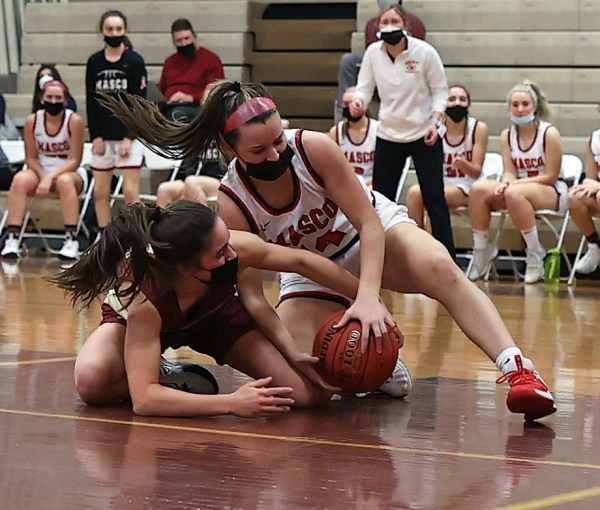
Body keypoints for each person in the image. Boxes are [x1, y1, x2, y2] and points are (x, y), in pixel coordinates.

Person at [105, 80, 558, 421]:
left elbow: (368, 222)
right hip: (306, 271)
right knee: (307, 382)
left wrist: (369, 298)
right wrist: (290, 350)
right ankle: (377, 367)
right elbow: (253, 297)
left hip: (370, 235)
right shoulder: (232, 201)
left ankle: (519, 369)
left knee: (440, 265)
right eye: (259, 150)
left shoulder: (314, 147)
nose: (275, 154)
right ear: (229, 149)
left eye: (278, 140)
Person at [51, 200, 379, 417]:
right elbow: (144, 401)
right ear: (185, 268)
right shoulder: (144, 301)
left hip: (216, 315)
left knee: (308, 394)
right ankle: (164, 376)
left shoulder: (235, 246)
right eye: (220, 253)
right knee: (91, 381)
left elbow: (302, 261)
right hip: (145, 326)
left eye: (228, 243)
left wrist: (368, 298)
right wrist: (232, 403)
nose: (233, 255)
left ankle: (164, 381)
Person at [349, 5, 455, 258]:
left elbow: (440, 90)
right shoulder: (373, 53)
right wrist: (359, 102)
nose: (389, 25)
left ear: (405, 25)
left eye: (394, 21)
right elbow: (364, 87)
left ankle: (449, 259)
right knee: (380, 201)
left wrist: (435, 121)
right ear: (377, 27)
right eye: (384, 21)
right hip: (388, 134)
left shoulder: (424, 52)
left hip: (424, 133)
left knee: (434, 199)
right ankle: (381, 258)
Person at [467, 81, 566, 284]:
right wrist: (506, 182)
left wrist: (513, 185)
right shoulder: (507, 135)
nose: (520, 109)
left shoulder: (549, 133)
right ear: (509, 107)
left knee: (514, 193)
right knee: (478, 189)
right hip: (518, 190)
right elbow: (510, 172)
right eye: (515, 104)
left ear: (535, 106)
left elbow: (551, 176)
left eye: (525, 104)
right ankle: (482, 250)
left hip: (551, 190)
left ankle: (535, 252)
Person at [0, 80, 86, 260]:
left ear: (65, 100)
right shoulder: (33, 120)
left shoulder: (74, 121)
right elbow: (30, 158)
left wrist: (50, 177)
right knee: (19, 180)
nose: (53, 101)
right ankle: (12, 238)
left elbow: (75, 160)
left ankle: (71, 239)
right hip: (40, 170)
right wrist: (44, 176)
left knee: (64, 181)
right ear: (42, 99)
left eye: (58, 97)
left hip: (69, 171)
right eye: (49, 97)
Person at [85, 10, 147, 241]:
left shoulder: (135, 62)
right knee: (100, 193)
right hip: (103, 138)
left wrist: (129, 137)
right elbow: (91, 101)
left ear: (125, 30)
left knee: (130, 192)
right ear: (102, 31)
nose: (114, 33)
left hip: (128, 138)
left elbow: (140, 104)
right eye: (109, 29)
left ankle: (137, 239)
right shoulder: (94, 62)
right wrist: (96, 136)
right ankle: (104, 240)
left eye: (118, 29)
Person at [406, 85, 489, 228]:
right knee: (414, 193)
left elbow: (476, 172)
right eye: (452, 99)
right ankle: (416, 236)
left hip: (467, 187)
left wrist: (463, 164)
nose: (457, 103)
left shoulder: (478, 129)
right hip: (440, 184)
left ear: (469, 104)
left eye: (462, 99)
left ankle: (431, 240)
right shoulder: (435, 130)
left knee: (433, 198)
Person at [336, 0, 426, 118]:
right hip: (377, 75)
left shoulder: (416, 23)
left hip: (405, 77)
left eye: (395, 22)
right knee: (348, 61)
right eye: (385, 22)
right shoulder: (371, 25)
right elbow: (371, 57)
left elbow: (418, 58)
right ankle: (345, 115)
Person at [158, 18, 225, 123]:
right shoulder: (170, 61)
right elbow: (161, 90)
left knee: (176, 114)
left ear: (195, 37)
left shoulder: (211, 59)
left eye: (187, 38)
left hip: (197, 107)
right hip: (170, 105)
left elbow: (216, 92)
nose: (184, 44)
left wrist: (191, 98)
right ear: (173, 42)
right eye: (179, 41)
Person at [328, 86, 378, 188]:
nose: (351, 108)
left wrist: (364, 186)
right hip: (345, 185)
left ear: (365, 105)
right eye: (346, 104)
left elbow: (385, 170)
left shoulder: (378, 130)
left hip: (372, 184)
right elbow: (330, 167)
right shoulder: (335, 132)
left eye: (354, 103)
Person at [568, 124, 600, 274]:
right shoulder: (594, 139)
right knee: (575, 197)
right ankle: (594, 247)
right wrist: (589, 184)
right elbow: (590, 178)